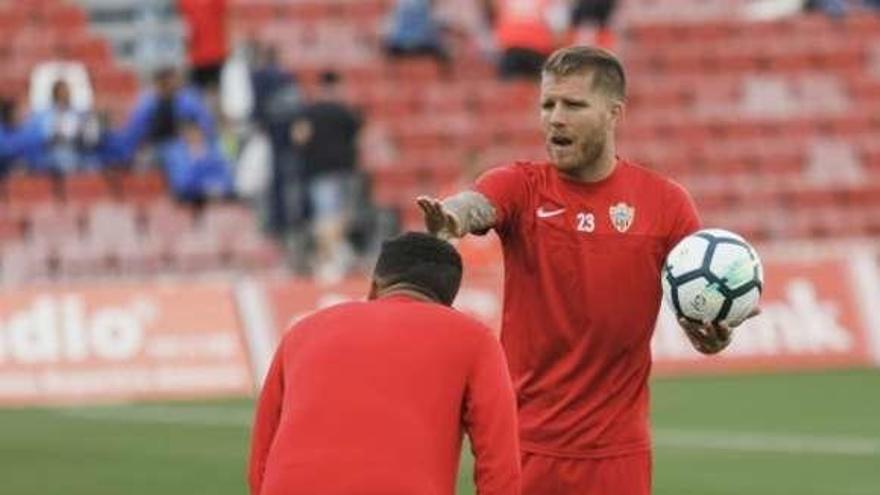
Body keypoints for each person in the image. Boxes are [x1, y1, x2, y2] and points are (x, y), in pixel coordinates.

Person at [417, 46, 758, 494]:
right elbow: (479, 204)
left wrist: (713, 334)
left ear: (614, 113)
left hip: (616, 454)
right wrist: (453, 217)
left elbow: (693, 306)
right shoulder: (522, 185)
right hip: (523, 445)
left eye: (573, 105)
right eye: (547, 104)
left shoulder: (666, 204)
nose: (555, 117)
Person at [248, 232, 521, 495]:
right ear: (448, 302)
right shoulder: (474, 338)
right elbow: (500, 463)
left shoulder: (303, 330)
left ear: (374, 285)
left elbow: (261, 454)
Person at [290, 70, 363, 282]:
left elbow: (298, 137)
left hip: (319, 171)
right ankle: (334, 259)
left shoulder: (310, 112)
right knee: (339, 215)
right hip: (344, 170)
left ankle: (329, 261)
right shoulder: (346, 112)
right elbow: (358, 138)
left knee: (325, 216)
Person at [178, 0, 228, 93]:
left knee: (213, 90)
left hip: (214, 54)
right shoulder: (186, 3)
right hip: (196, 56)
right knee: (196, 91)